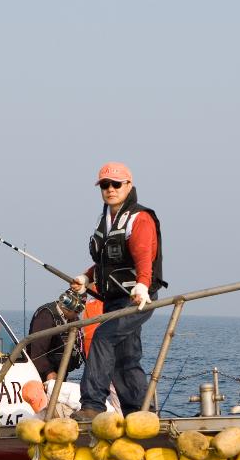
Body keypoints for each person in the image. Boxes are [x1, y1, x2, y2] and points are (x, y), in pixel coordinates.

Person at [70, 162, 164, 419]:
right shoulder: (107, 220)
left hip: (137, 299)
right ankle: (140, 413)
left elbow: (145, 255)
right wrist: (86, 278)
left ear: (129, 186)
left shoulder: (139, 218)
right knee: (126, 357)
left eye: (116, 184)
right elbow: (107, 262)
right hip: (113, 299)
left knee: (102, 337)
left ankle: (92, 405)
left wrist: (143, 286)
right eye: (104, 185)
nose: (110, 189)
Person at [27, 288, 85, 382]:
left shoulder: (72, 319)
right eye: (76, 311)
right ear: (67, 306)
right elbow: (37, 351)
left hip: (61, 372)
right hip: (46, 376)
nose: (77, 315)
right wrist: (48, 372)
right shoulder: (46, 316)